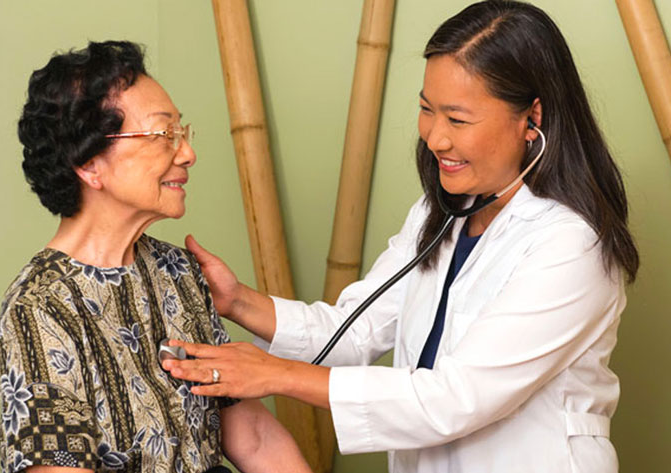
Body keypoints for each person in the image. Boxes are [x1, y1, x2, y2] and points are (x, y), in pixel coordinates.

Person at [162, 2, 640, 472]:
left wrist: (276, 375)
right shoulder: (441, 212)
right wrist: (237, 301)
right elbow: (355, 331)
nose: (435, 138)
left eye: (458, 119)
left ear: (531, 118)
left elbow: (454, 399)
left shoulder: (572, 245)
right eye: (427, 109)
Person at [0, 41, 312, 473]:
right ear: (89, 164)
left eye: (182, 133)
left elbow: (254, 439)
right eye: (164, 135)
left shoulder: (179, 271)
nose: (188, 153)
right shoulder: (41, 306)